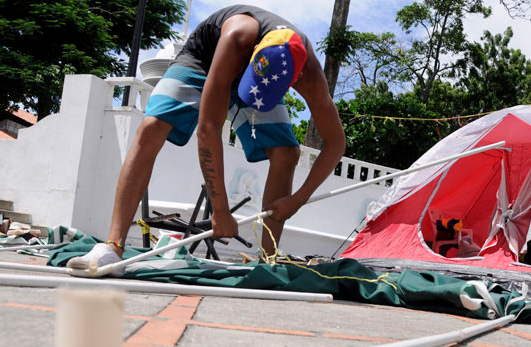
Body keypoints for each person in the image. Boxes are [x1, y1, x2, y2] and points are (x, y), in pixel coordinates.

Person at [66, 4, 345, 275]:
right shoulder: (238, 35)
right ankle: (113, 247)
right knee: (151, 127)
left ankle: (267, 260)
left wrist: (297, 200)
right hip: (204, 60)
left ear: (294, 80)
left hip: (258, 71)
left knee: (286, 152)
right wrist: (220, 209)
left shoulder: (311, 75)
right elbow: (208, 128)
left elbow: (336, 144)